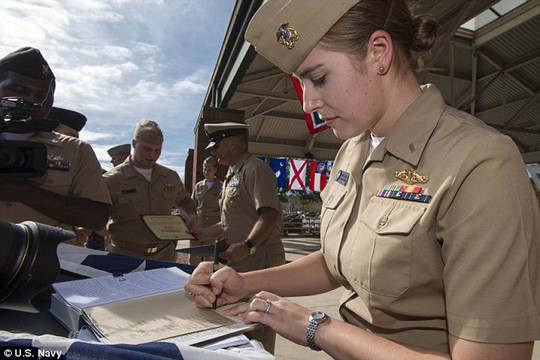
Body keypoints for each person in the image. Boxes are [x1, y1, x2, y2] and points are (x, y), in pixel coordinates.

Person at [185, 1, 540, 359]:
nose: (307, 104)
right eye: (301, 83)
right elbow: (338, 261)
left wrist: (317, 328)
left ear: (379, 53)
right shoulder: (354, 150)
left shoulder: (480, 163)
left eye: (318, 78)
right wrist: (246, 282)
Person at [191, 121, 285, 354]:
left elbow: (269, 214)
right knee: (240, 321)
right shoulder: (234, 173)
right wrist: (203, 233)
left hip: (260, 257)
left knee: (258, 320)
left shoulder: (254, 169)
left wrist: (248, 245)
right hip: (242, 258)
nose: (213, 151)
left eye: (217, 145)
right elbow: (231, 221)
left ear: (232, 143)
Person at [0, 47, 111, 231]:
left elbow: (97, 217)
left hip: (42, 258)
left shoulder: (76, 151)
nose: (31, 100)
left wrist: (22, 191)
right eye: (19, 89)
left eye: (42, 96)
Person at [103, 119, 198, 261]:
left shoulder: (170, 177)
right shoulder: (112, 180)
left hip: (164, 256)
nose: (152, 155)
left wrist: (190, 215)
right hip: (125, 256)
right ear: (134, 144)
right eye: (147, 149)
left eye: (157, 150)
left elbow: (183, 201)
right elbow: (96, 214)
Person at [189, 156, 223, 266]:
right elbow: (192, 206)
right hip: (198, 225)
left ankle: (208, 280)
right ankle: (192, 278)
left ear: (215, 170)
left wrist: (222, 231)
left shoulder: (221, 187)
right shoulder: (198, 186)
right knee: (194, 257)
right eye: (204, 169)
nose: (206, 172)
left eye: (209, 169)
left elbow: (224, 210)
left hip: (212, 226)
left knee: (210, 258)